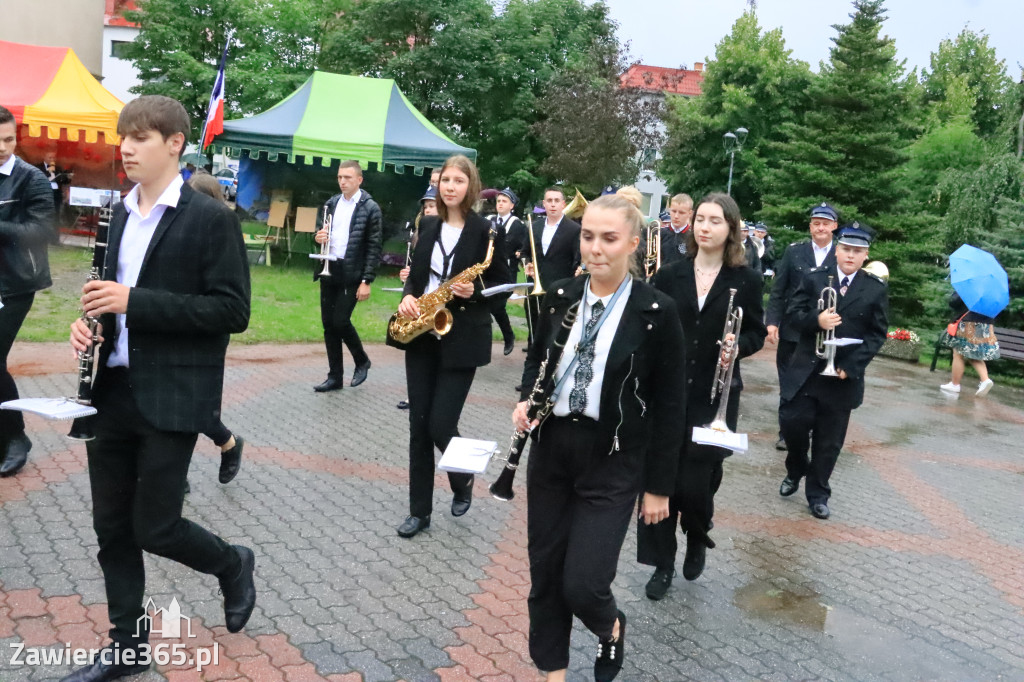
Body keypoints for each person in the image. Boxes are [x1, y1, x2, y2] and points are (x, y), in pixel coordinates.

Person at [63, 95, 255, 682]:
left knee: (156, 526)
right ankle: (128, 646)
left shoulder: (210, 218)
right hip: (111, 390)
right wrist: (90, 325)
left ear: (175, 144)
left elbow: (232, 310)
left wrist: (134, 303)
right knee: (111, 527)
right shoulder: (119, 214)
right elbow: (110, 301)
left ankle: (231, 563)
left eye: (141, 137)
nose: (126, 147)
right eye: (124, 137)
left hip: (172, 397)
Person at [515, 194, 685, 682]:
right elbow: (537, 359)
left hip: (612, 458)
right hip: (551, 452)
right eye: (588, 236)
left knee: (584, 584)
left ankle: (610, 628)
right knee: (546, 576)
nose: (595, 248)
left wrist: (659, 486)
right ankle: (553, 672)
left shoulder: (656, 311)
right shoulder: (561, 295)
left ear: (632, 243)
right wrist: (527, 397)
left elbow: (671, 405)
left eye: (609, 238)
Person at [637, 192, 766, 598]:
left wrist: (737, 345)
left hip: (717, 393)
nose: (705, 227)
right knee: (660, 476)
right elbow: (649, 325)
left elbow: (757, 332)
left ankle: (697, 532)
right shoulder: (670, 274)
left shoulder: (745, 279)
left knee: (697, 484)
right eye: (701, 220)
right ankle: (662, 563)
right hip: (669, 392)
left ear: (731, 229)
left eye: (715, 221)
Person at [388, 154, 510, 539]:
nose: (450, 186)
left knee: (441, 423)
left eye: (458, 180)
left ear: (470, 186)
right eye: (445, 180)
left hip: (462, 337)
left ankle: (462, 480)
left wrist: (475, 293)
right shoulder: (428, 224)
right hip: (423, 333)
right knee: (418, 426)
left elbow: (502, 288)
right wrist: (409, 297)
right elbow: (417, 277)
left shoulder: (486, 231)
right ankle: (419, 512)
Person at [778, 223, 887, 520]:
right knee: (791, 424)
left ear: (865, 255)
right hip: (806, 372)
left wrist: (850, 368)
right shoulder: (815, 279)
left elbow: (877, 335)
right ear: (837, 250)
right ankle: (796, 467)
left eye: (857, 251)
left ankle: (818, 494)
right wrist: (817, 320)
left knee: (828, 443)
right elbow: (793, 315)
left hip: (841, 377)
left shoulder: (875, 288)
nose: (850, 255)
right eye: (846, 249)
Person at [0, 105, 54, 478]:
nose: (3, 147)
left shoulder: (30, 178)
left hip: (15, 283)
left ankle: (16, 437)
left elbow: (40, 232)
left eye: (8, 139)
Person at [186, 173, 246, 483]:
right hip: (178, 330)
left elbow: (232, 304)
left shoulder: (221, 233)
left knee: (198, 406)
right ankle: (175, 476)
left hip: (209, 331)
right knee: (178, 406)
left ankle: (228, 443)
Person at [765, 202, 839, 451]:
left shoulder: (841, 253)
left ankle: (810, 431)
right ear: (810, 226)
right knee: (788, 383)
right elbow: (779, 289)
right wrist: (772, 322)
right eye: (816, 223)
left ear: (834, 226)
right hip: (793, 330)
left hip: (825, 333)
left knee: (817, 385)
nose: (820, 228)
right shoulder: (794, 251)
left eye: (825, 224)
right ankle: (786, 432)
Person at [312, 160, 382, 392]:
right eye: (340, 177)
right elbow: (320, 230)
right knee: (328, 325)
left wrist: (367, 281)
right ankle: (335, 377)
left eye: (348, 178)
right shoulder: (331, 203)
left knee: (340, 321)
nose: (342, 181)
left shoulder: (370, 208)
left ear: (359, 180)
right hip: (329, 267)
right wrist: (318, 236)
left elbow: (374, 247)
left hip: (352, 272)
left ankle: (361, 360)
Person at [523, 187, 581, 348]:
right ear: (544, 204)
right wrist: (527, 263)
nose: (553, 204)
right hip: (535, 286)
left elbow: (576, 260)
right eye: (549, 201)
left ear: (563, 204)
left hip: (560, 288)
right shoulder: (535, 226)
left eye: (557, 201)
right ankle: (532, 361)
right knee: (534, 330)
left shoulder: (574, 229)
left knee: (554, 331)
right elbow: (525, 252)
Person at [939, 291, 999, 397]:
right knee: (975, 354)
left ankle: (955, 384)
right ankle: (985, 379)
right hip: (986, 323)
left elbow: (954, 303)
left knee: (958, 354)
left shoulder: (971, 285)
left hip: (969, 322)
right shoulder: (992, 290)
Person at [488, 187, 520, 355]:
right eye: (498, 201)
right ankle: (501, 337)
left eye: (504, 201)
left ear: (512, 205)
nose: (500, 204)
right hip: (488, 272)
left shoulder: (517, 224)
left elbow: (525, 246)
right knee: (489, 306)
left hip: (506, 274)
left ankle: (508, 336)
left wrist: (520, 253)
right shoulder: (489, 220)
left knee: (497, 306)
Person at [659, 193, 692, 268]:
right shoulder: (659, 233)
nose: (676, 216)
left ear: (689, 213)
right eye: (673, 211)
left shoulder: (693, 237)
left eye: (681, 212)